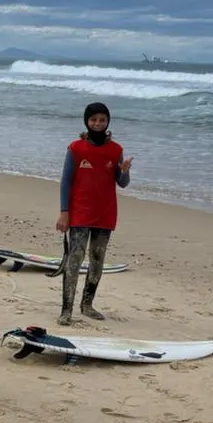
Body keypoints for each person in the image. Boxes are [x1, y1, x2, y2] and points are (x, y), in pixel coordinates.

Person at [54, 101, 132, 326]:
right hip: (80, 212)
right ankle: (66, 310)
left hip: (105, 213)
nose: (98, 123)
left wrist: (125, 171)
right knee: (75, 260)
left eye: (102, 120)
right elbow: (66, 182)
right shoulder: (75, 148)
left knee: (97, 260)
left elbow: (122, 183)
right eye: (94, 119)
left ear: (108, 122)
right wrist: (64, 212)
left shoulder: (116, 150)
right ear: (86, 121)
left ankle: (87, 305)